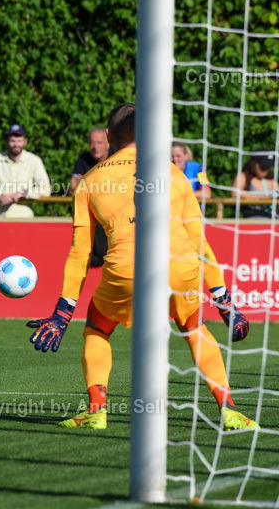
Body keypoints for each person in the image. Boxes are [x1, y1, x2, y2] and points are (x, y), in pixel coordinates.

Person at [27, 103, 258, 431]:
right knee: (193, 326)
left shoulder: (90, 180)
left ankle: (96, 410)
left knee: (97, 325)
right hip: (180, 265)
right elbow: (200, 242)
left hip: (126, 269)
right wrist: (225, 304)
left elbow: (80, 254)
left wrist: (62, 312)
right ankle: (229, 408)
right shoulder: (175, 173)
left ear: (108, 137)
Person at [0, 123, 52, 218]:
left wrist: (23, 194)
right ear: (7, 141)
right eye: (12, 141)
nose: (16, 144)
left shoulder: (34, 160)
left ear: (25, 142)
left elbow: (46, 189)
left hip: (25, 220)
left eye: (19, 141)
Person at [69, 127, 110, 266]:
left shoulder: (116, 159)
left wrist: (87, 183)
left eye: (99, 142)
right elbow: (72, 188)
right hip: (89, 218)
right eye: (92, 143)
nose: (95, 147)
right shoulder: (83, 160)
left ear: (107, 144)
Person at [230, 152, 276, 219]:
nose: (266, 170)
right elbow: (234, 194)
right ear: (254, 164)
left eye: (268, 167)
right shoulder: (243, 177)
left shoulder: (272, 181)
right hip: (252, 220)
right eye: (263, 167)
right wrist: (262, 198)